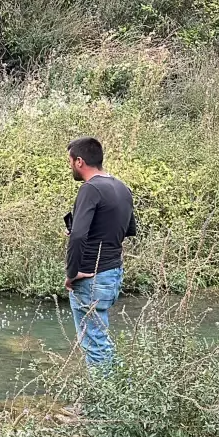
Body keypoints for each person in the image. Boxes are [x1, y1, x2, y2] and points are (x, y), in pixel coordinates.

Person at [64, 137, 136, 369]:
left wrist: (72, 272)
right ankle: (118, 393)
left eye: (70, 161)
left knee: (94, 346)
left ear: (80, 161)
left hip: (91, 277)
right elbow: (129, 229)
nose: (70, 165)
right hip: (113, 273)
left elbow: (77, 236)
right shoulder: (121, 187)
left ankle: (100, 404)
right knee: (100, 340)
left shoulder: (90, 189)